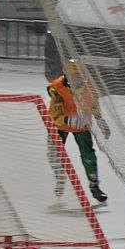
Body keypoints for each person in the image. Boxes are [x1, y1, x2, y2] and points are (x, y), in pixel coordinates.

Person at [47, 58, 109, 204]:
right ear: (67, 75)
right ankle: (60, 176)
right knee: (53, 154)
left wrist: (99, 119)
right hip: (61, 125)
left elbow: (93, 104)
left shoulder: (89, 87)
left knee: (88, 156)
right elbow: (54, 110)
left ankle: (94, 185)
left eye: (81, 75)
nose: (79, 79)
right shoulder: (57, 88)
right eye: (75, 76)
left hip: (81, 126)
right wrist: (66, 120)